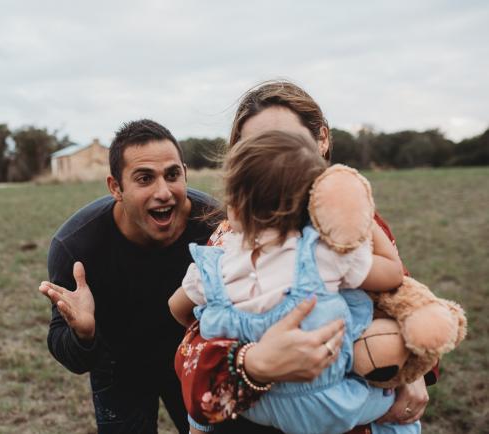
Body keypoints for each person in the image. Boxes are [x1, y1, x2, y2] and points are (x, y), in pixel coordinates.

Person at [38, 118, 348, 434]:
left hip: (194, 359)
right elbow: (71, 357)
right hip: (118, 366)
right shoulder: (76, 246)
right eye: (144, 178)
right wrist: (84, 335)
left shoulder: (216, 227)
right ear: (115, 187)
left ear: (185, 172)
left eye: (172, 175)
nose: (163, 192)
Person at [173, 80, 436, 434]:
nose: (272, 160)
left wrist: (417, 369)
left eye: (285, 142)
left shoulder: (356, 227)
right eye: (254, 147)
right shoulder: (227, 240)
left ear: (321, 140)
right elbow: (190, 349)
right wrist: (253, 362)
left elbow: (404, 300)